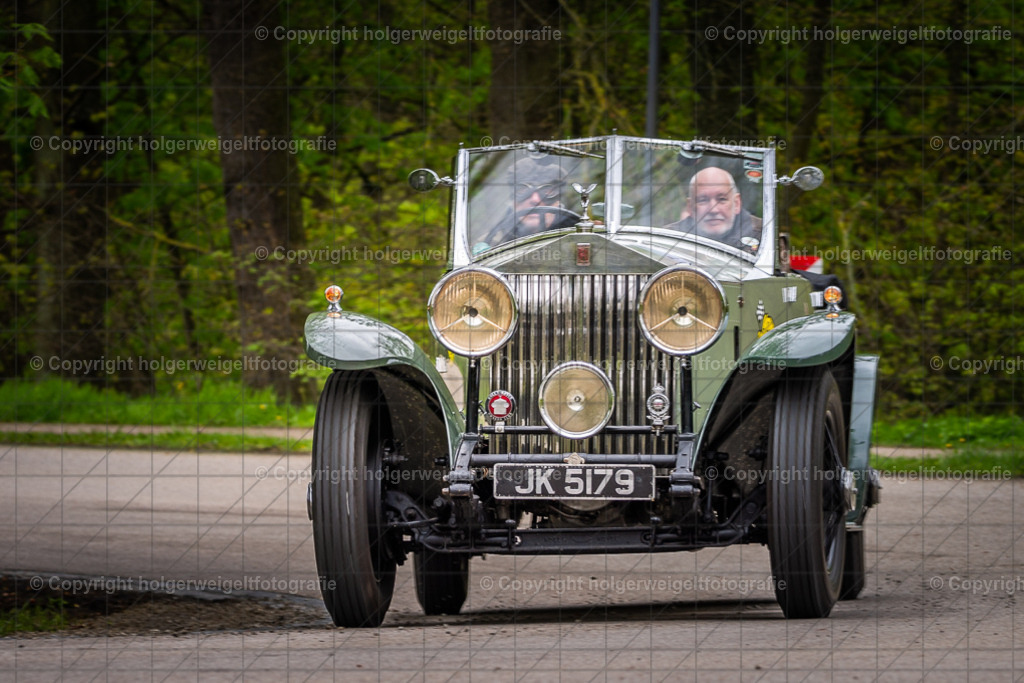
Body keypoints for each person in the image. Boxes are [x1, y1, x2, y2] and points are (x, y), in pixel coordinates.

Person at [477, 157, 578, 250]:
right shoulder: (491, 244)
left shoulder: (581, 239)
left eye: (547, 191)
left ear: (557, 201)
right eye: (523, 190)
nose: (535, 199)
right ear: (513, 200)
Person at [665, 166, 762, 253]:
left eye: (722, 199)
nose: (713, 210)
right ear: (690, 207)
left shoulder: (764, 236)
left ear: (737, 203)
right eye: (703, 200)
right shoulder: (668, 240)